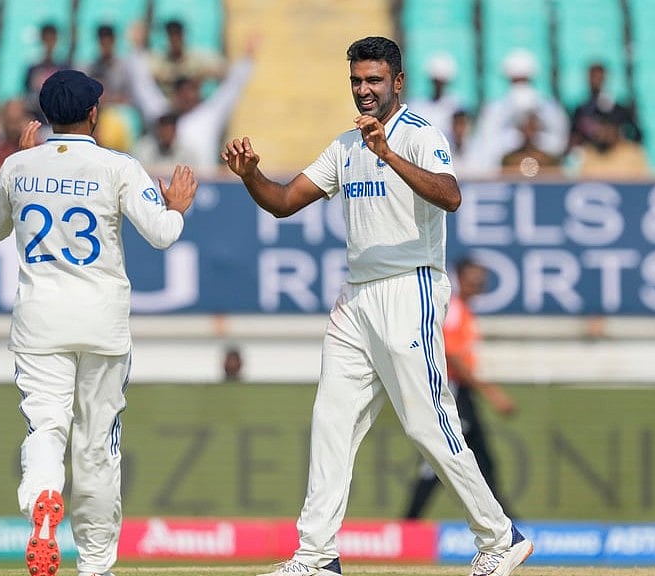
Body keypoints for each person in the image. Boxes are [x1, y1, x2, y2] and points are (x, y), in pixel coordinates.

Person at [222, 36, 533, 576]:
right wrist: (251, 174)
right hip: (357, 295)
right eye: (357, 81)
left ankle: (500, 536)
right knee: (331, 421)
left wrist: (386, 153)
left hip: (409, 288)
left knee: (427, 424)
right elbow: (284, 203)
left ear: (398, 82)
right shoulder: (344, 145)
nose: (364, 91)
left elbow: (451, 195)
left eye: (374, 81)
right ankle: (317, 555)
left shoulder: (419, 134)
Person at [0, 69, 197, 576]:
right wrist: (178, 208)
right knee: (98, 445)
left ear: (46, 116)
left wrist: (20, 159)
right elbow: (162, 234)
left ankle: (43, 497)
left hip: (39, 323)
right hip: (102, 322)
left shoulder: (18, 165)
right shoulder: (117, 165)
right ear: (94, 114)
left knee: (46, 426)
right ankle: (96, 566)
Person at [404, 257, 517, 520]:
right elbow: (452, 354)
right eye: (473, 277)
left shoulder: (465, 311)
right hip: (451, 391)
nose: (479, 283)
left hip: (462, 393)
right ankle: (408, 524)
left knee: (484, 460)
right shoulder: (453, 308)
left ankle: (505, 521)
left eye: (482, 277)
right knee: (439, 459)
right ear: (460, 277)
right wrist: (492, 393)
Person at [128, 25, 255, 169]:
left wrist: (247, 59)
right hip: (161, 185)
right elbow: (143, 86)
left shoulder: (207, 115)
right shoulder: (160, 112)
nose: (188, 97)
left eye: (192, 92)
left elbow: (230, 90)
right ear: (175, 95)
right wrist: (137, 50)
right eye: (183, 93)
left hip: (204, 185)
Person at [472, 48, 568, 171]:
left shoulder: (548, 107)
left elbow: (559, 144)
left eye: (524, 80)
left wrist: (534, 140)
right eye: (516, 80)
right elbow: (487, 147)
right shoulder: (495, 109)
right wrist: (517, 139)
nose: (520, 86)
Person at [567, 62, 642, 152]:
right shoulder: (580, 111)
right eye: (593, 78)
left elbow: (636, 134)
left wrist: (615, 134)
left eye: (599, 78)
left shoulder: (619, 110)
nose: (596, 82)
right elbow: (573, 137)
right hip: (591, 155)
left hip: (616, 154)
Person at [150, 19, 225, 99]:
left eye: (177, 34)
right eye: (171, 35)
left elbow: (222, 70)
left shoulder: (196, 57)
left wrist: (200, 77)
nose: (174, 39)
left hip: (193, 107)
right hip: (168, 107)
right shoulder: (159, 60)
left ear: (183, 35)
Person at [407, 52, 463, 143]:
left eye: (442, 81)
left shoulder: (456, 106)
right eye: (436, 81)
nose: (439, 85)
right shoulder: (417, 105)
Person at [25, 24, 69, 122]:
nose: (49, 44)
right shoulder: (33, 68)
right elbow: (27, 95)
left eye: (51, 39)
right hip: (38, 121)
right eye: (46, 39)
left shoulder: (65, 68)